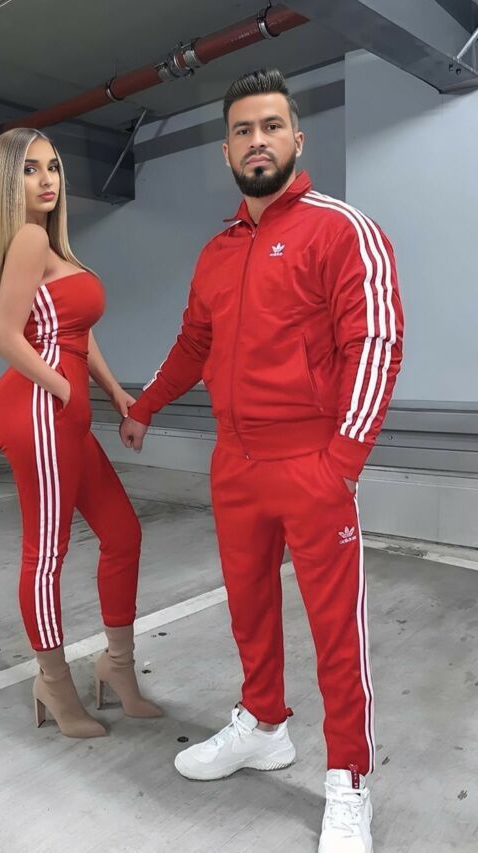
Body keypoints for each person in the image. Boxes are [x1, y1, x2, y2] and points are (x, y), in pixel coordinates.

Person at [120, 69, 404, 851]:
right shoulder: (218, 251)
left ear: (296, 140)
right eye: (243, 130)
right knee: (248, 607)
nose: (257, 141)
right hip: (236, 463)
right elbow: (194, 342)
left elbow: (376, 342)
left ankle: (349, 778)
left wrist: (342, 462)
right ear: (226, 150)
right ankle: (265, 725)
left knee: (335, 631)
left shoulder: (340, 230)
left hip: (311, 462)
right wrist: (146, 405)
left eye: (271, 126)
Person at [0, 128, 162, 739]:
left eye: (53, 166)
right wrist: (63, 387)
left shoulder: (54, 246)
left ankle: (117, 668)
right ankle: (54, 685)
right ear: (8, 184)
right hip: (39, 409)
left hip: (66, 409)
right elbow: (4, 335)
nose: (47, 180)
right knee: (47, 554)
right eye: (30, 170)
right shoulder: (29, 239)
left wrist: (111, 391)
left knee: (123, 533)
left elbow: (79, 334)